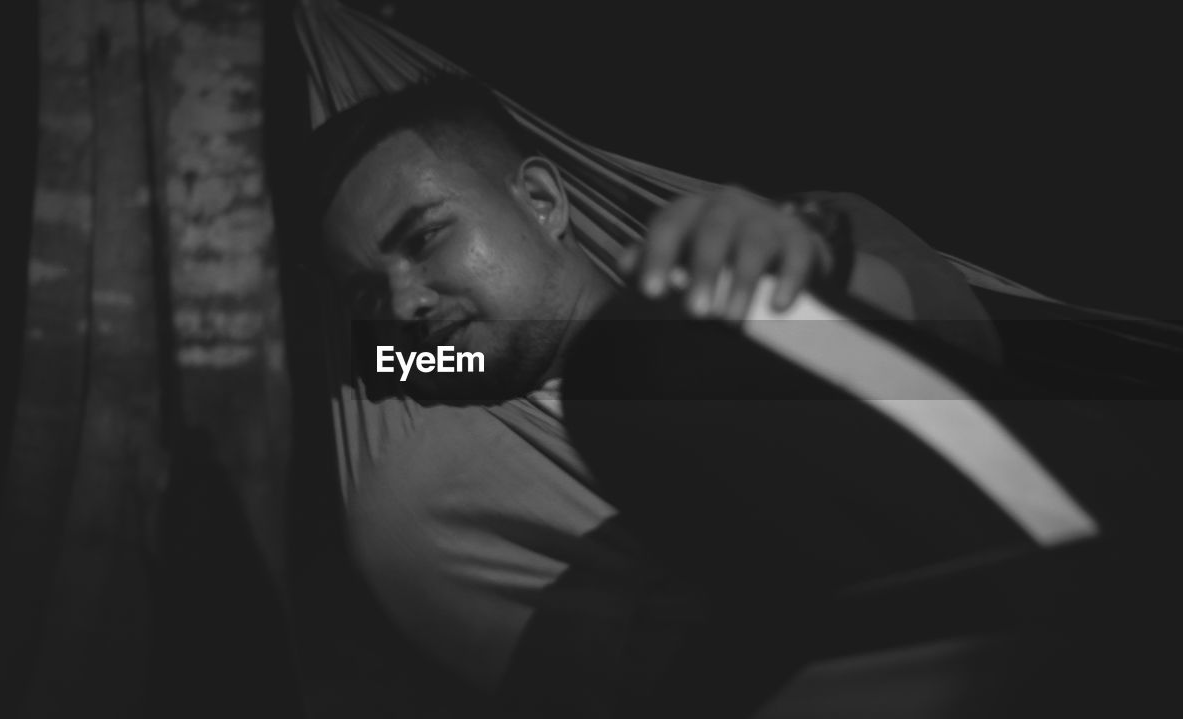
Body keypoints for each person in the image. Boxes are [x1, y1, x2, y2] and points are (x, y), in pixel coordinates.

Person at [306, 75, 1076, 717]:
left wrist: (814, 272)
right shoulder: (434, 485)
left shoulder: (788, 247)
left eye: (426, 237)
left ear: (542, 201)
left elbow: (972, 361)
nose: (402, 307)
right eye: (367, 294)